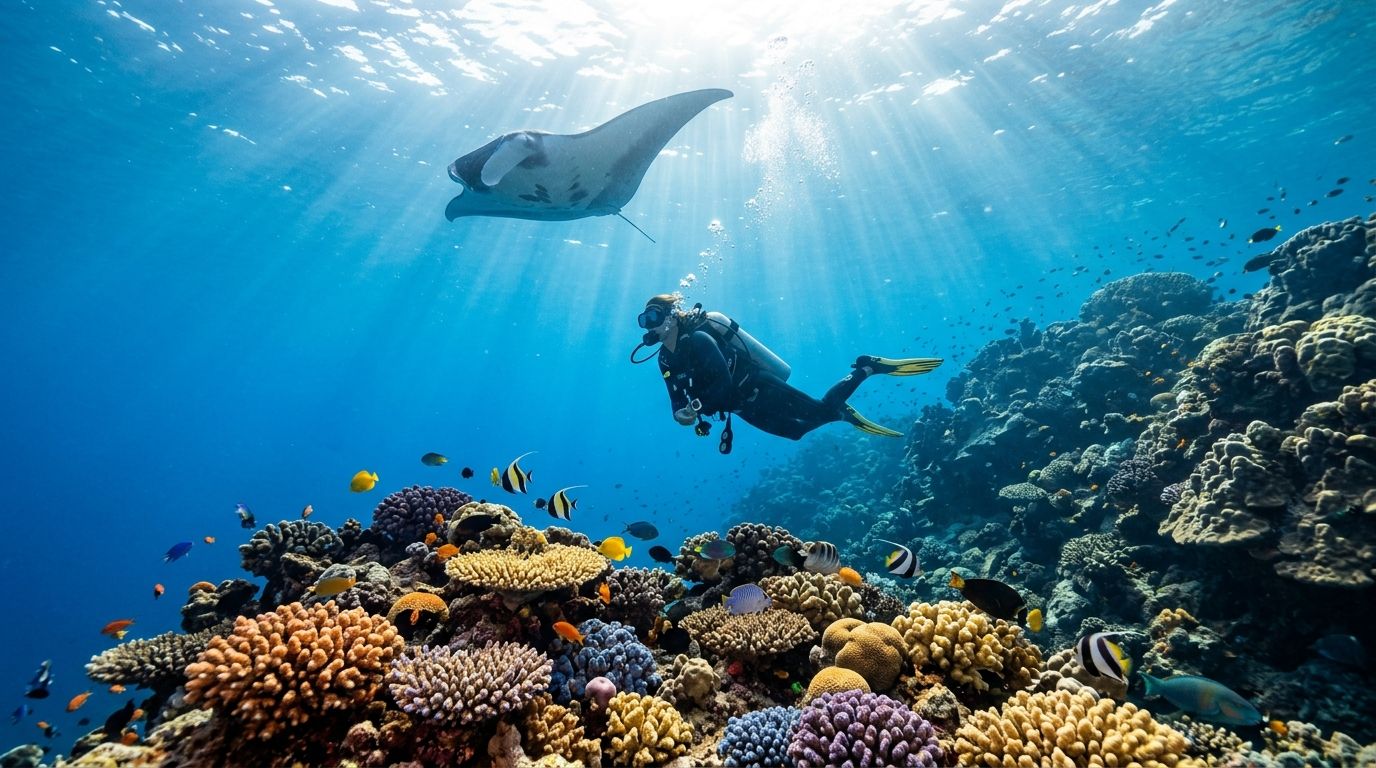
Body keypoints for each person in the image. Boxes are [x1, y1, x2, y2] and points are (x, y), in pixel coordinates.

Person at [631, 294, 942, 453]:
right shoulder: (665, 361)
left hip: (758, 388)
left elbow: (724, 385)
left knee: (820, 409)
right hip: (740, 408)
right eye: (644, 320)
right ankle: (841, 411)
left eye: (654, 316)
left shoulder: (699, 339)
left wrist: (697, 408)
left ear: (672, 314)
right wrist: (679, 415)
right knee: (795, 433)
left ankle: (866, 368)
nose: (650, 324)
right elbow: (674, 398)